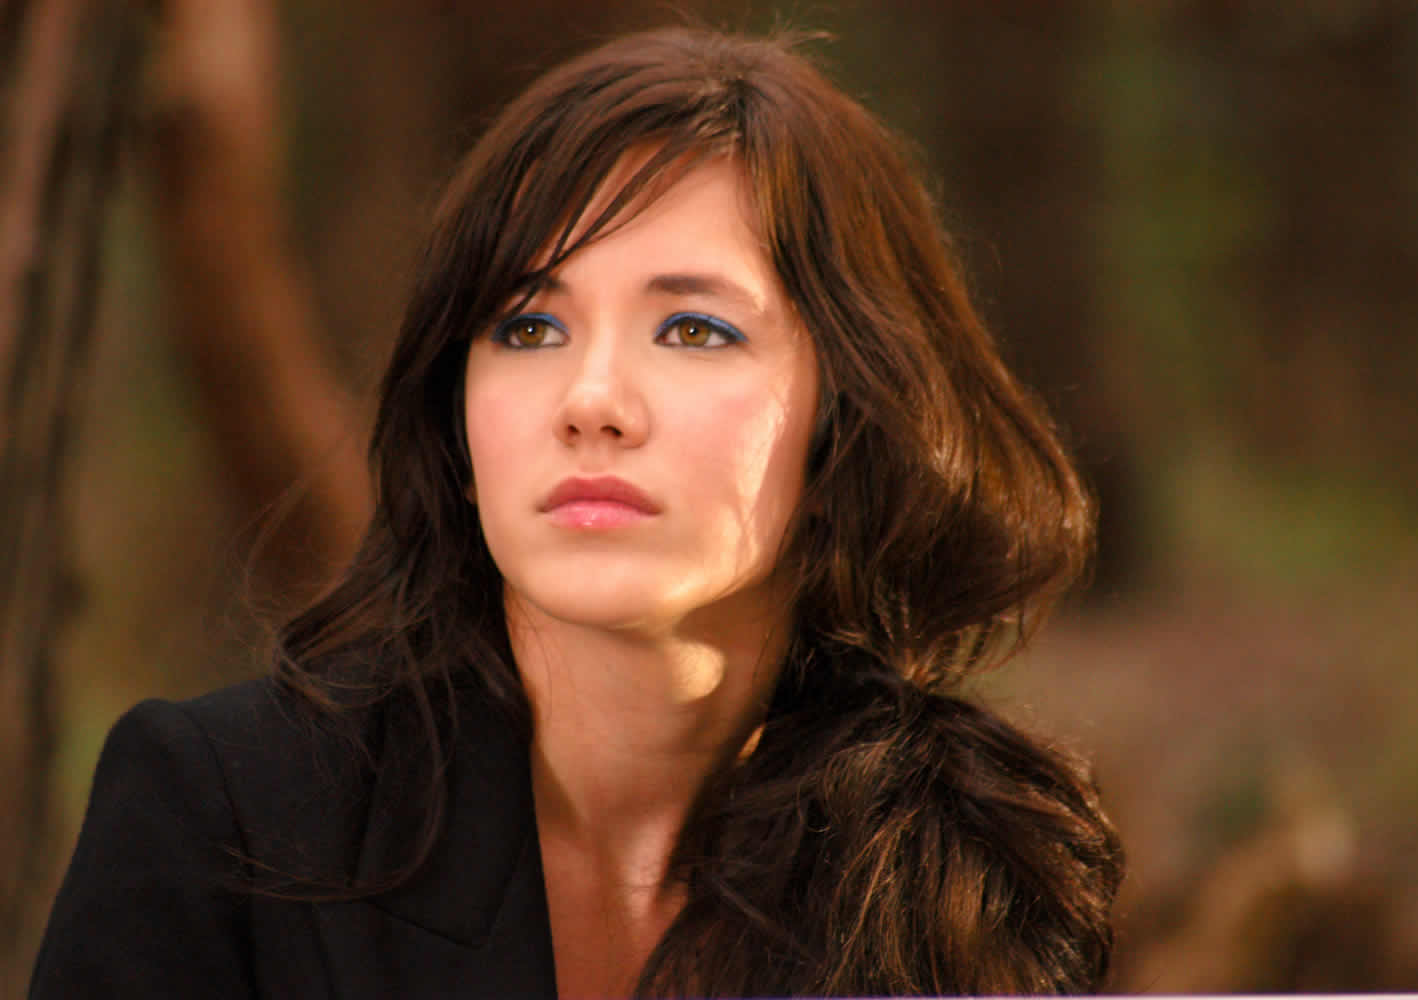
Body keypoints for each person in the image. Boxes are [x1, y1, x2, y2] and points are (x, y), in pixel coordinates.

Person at [30, 26, 1122, 999]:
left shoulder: (972, 869)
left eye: (693, 330)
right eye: (528, 328)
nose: (590, 401)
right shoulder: (222, 812)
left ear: (849, 413)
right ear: (457, 422)